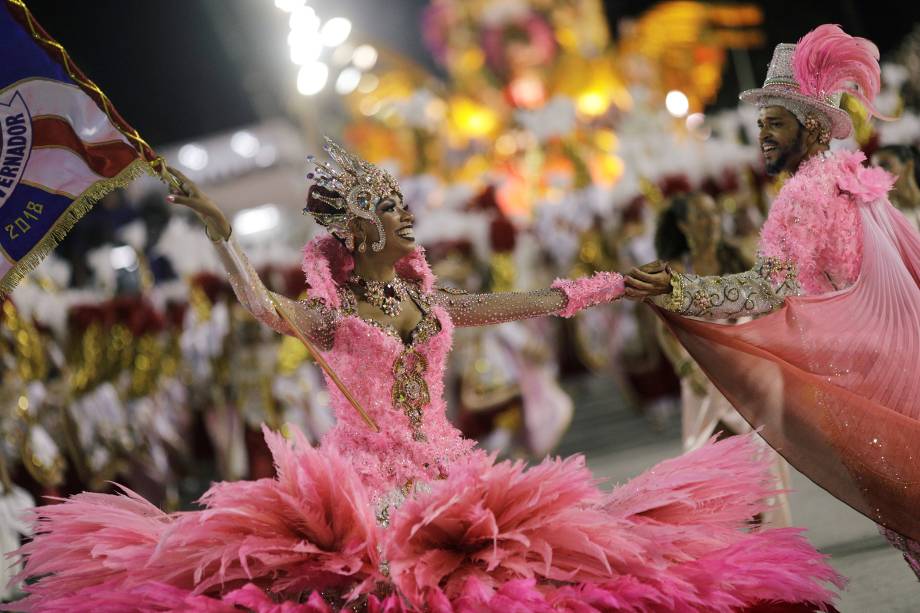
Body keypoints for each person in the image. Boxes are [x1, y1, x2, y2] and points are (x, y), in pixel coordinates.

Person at [10, 139, 841, 612]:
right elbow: (264, 306)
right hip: (365, 488)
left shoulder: (428, 296)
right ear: (360, 223)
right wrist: (221, 236)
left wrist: (617, 282)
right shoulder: (333, 315)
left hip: (452, 468)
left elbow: (532, 301)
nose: (406, 211)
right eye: (392, 200)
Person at [626, 25, 920, 578]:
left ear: (809, 125)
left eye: (774, 122)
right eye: (760, 123)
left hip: (869, 384)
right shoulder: (852, 178)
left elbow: (766, 288)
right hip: (900, 364)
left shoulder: (803, 195)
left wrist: (679, 290)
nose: (762, 134)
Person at [654, 192, 792, 527]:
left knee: (762, 458)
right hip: (703, 379)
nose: (711, 222)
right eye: (701, 216)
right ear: (685, 225)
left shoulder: (740, 255)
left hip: (750, 374)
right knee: (708, 463)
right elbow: (663, 329)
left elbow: (775, 300)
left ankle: (773, 543)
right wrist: (685, 367)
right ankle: (726, 548)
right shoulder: (671, 271)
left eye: (714, 213)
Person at [871, 144, 920, 230]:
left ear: (909, 166)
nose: (876, 172)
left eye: (884, 165)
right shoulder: (878, 213)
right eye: (873, 167)